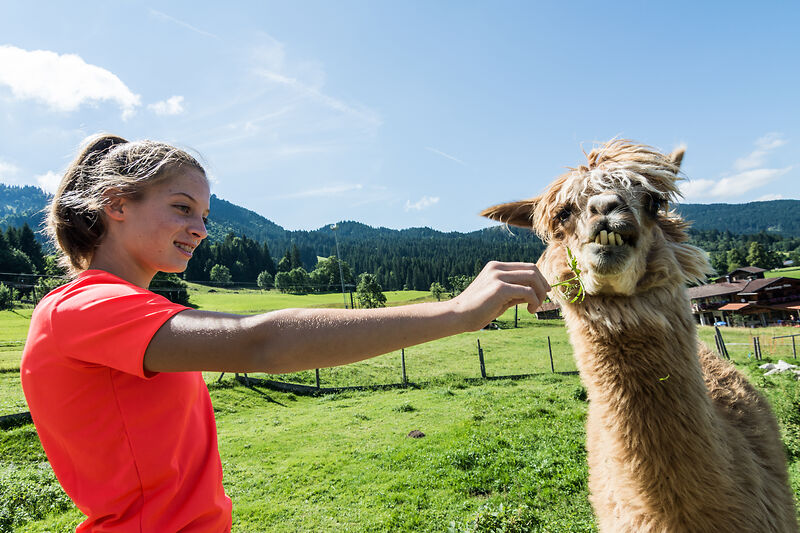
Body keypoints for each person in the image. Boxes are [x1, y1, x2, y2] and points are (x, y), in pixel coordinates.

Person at [20, 133, 549, 532]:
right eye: (182, 208)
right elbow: (260, 342)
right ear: (115, 203)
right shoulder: (86, 307)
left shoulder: (116, 307)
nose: (201, 229)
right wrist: (457, 312)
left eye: (203, 214)